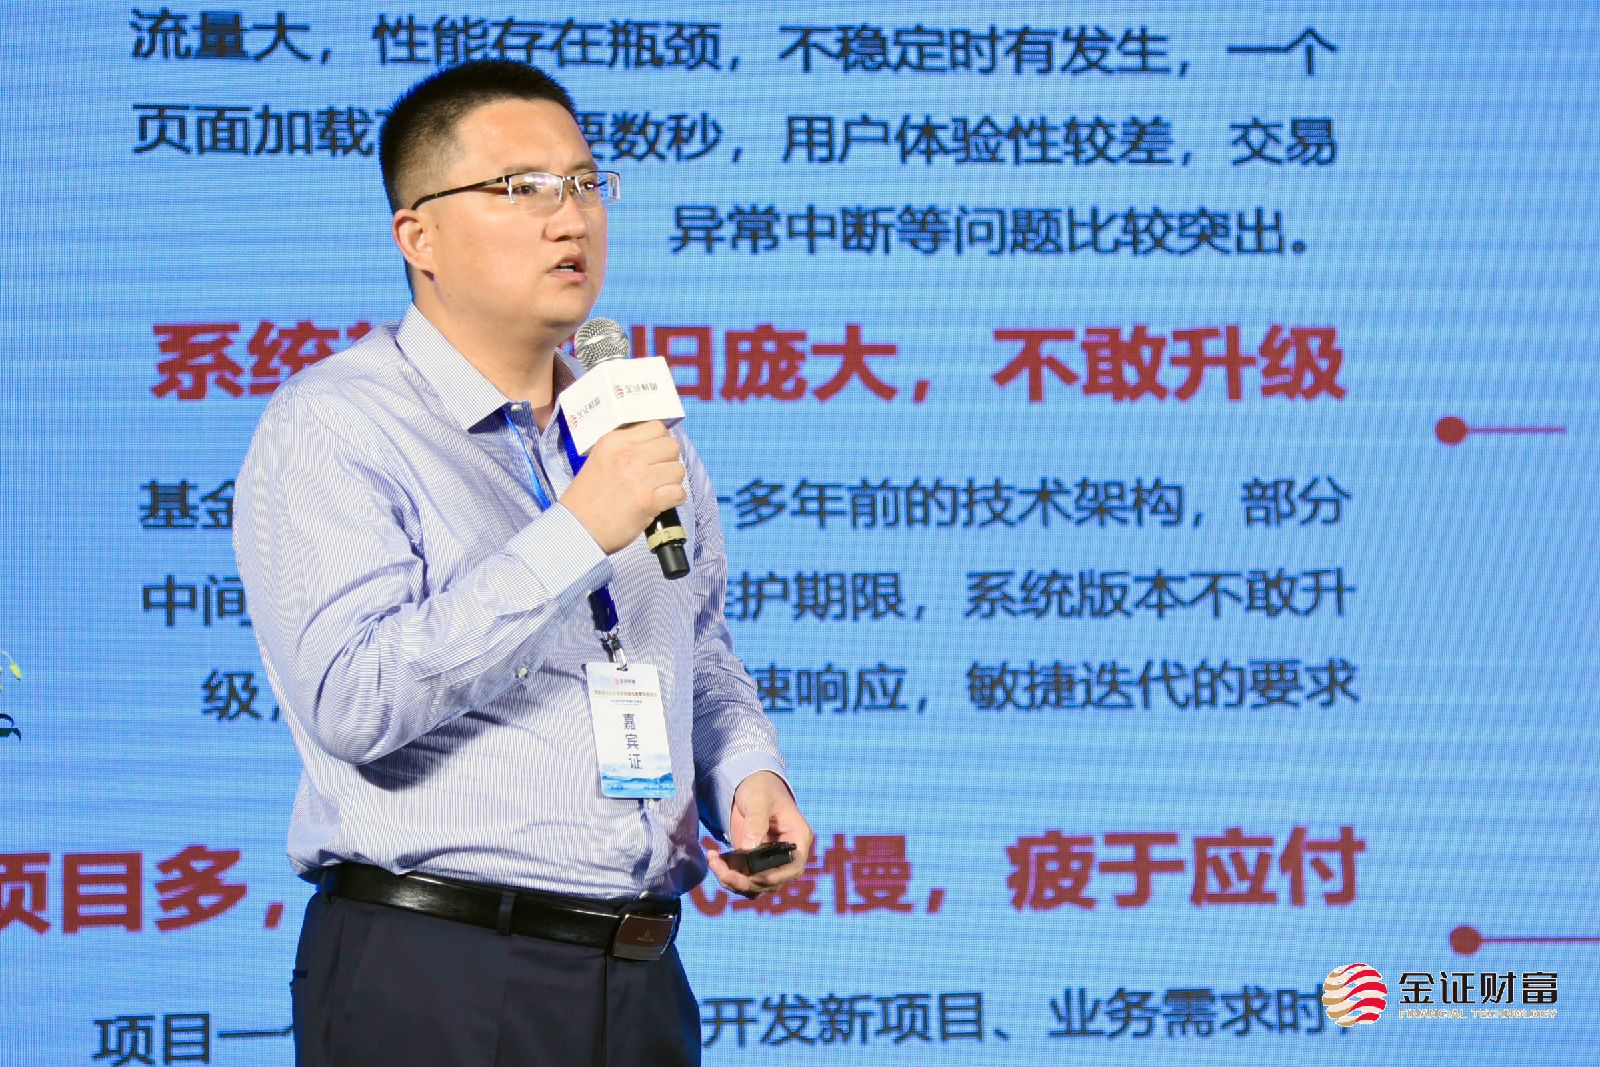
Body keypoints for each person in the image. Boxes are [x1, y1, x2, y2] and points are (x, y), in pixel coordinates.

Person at [233, 59, 811, 1067]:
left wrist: (746, 773)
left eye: (585, 183)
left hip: (638, 972)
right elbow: (352, 698)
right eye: (520, 188)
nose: (569, 217)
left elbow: (699, 646)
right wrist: (576, 533)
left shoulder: (627, 422)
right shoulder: (334, 424)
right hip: (439, 968)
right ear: (418, 236)